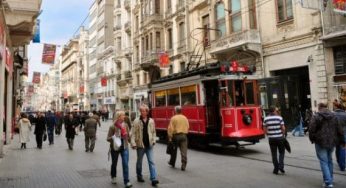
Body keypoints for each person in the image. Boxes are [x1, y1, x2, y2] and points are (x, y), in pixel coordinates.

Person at [309, 103, 345, 188]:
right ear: (326, 107)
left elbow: (311, 129)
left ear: (319, 107)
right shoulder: (334, 116)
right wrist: (342, 141)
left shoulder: (316, 116)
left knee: (323, 161)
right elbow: (339, 129)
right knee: (329, 160)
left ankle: (328, 182)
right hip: (332, 141)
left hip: (320, 142)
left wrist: (312, 139)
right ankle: (330, 179)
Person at [131, 104, 159, 186]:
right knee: (139, 162)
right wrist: (133, 143)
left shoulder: (151, 121)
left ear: (147, 112)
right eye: (141, 111)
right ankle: (139, 176)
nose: (143, 112)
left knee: (151, 162)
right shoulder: (136, 121)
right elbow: (132, 133)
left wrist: (154, 140)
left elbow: (154, 132)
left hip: (149, 145)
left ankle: (153, 179)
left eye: (144, 111)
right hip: (140, 145)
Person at [107, 111, 132, 188]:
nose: (124, 117)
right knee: (114, 163)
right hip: (115, 147)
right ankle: (113, 176)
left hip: (124, 147)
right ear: (118, 117)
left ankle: (126, 181)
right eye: (122, 116)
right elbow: (108, 138)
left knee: (125, 164)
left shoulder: (126, 125)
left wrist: (132, 143)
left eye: (124, 115)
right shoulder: (112, 126)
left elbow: (128, 137)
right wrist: (114, 137)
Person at [263, 106, 286, 175]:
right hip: (280, 138)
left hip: (272, 139)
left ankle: (276, 169)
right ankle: (281, 166)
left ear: (269, 111)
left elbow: (264, 130)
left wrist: (268, 134)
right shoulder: (279, 117)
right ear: (274, 111)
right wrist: (283, 135)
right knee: (282, 152)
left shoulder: (266, 119)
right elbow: (283, 128)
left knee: (274, 154)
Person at [167, 106, 189, 171]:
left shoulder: (173, 118)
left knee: (174, 150)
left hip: (176, 136)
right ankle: (183, 164)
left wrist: (170, 137)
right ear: (181, 111)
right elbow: (188, 126)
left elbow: (170, 128)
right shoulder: (185, 118)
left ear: (175, 111)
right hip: (184, 136)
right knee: (184, 151)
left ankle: (172, 162)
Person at [333, 102, 346, 171]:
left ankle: (338, 161)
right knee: (343, 148)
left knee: (337, 148)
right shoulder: (345, 114)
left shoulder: (333, 114)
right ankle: (342, 165)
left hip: (335, 134)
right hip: (344, 133)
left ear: (336, 107)